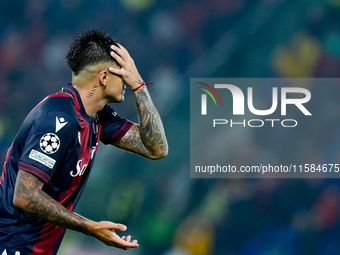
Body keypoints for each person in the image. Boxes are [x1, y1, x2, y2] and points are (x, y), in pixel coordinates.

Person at [0, 29, 168, 255]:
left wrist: (140, 86)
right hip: (12, 245)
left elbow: (157, 149)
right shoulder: (57, 118)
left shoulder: (98, 117)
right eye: (123, 74)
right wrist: (91, 227)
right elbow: (24, 195)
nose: (127, 80)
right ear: (104, 77)